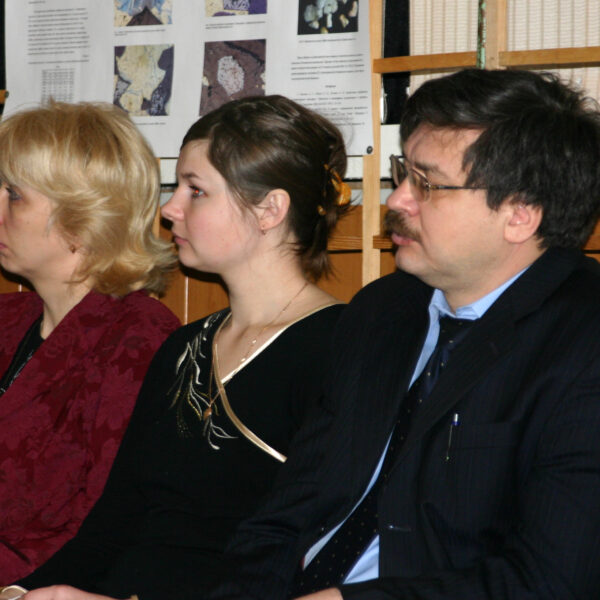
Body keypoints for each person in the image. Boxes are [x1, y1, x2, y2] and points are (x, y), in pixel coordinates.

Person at [197, 68, 600, 599]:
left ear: (519, 215)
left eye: (427, 184)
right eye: (401, 173)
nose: (396, 200)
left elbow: (553, 580)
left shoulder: (584, 343)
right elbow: (288, 511)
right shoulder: (384, 310)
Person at [14, 95, 351, 600]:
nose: (170, 209)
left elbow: (301, 548)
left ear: (269, 210)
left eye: (196, 190)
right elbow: (113, 524)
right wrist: (20, 591)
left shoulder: (339, 346)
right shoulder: (183, 346)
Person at [0, 101, 181, 581]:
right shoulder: (8, 317)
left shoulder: (138, 340)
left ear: (82, 220)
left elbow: (106, 525)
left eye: (13, 195)